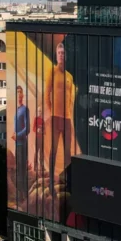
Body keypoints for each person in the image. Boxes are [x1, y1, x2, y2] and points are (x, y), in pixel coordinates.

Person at [43, 40, 74, 205]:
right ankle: (50, 183)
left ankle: (68, 183)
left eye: (63, 53)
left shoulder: (69, 76)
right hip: (55, 118)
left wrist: (68, 112)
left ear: (66, 55)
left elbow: (71, 98)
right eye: (59, 53)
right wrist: (52, 110)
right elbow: (47, 93)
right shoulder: (52, 72)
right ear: (56, 56)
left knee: (68, 152)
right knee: (53, 151)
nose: (61, 56)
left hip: (67, 118)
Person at [12, 85, 30, 201]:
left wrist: (17, 135)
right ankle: (20, 195)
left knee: (22, 169)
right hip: (17, 143)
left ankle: (24, 195)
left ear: (22, 95)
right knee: (18, 169)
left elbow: (27, 128)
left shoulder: (24, 109)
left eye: (20, 92)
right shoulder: (16, 110)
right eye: (17, 92)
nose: (19, 94)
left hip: (22, 143)